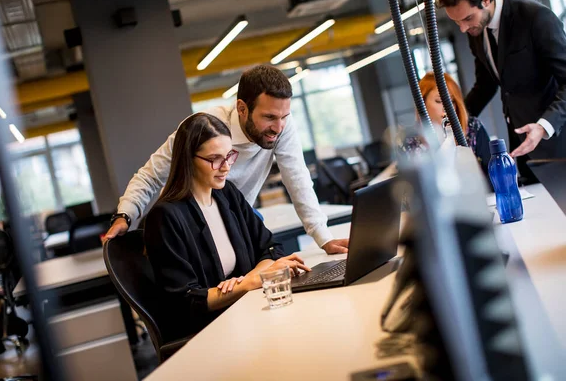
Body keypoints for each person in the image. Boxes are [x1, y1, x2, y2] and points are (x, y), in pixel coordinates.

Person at [106, 64, 349, 254]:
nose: (278, 127)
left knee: (270, 259)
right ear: (242, 108)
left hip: (238, 216)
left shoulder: (282, 125)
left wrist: (323, 237)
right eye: (269, 117)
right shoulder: (204, 128)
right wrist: (125, 215)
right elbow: (150, 175)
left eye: (284, 116)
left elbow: (297, 176)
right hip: (191, 222)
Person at [144, 113, 311, 338]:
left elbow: (270, 248)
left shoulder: (227, 194)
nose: (225, 167)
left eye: (229, 156)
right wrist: (248, 284)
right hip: (210, 333)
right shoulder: (165, 217)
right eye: (215, 159)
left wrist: (254, 277)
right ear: (188, 159)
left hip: (246, 316)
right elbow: (185, 302)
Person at [437, 0, 566, 182]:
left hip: (558, 145)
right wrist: (455, 122)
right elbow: (485, 85)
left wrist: (543, 126)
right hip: (523, 149)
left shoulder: (535, 17)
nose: (463, 28)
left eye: (467, 18)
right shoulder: (476, 31)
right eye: (457, 22)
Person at [403, 72, 492, 175]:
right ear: (422, 103)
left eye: (452, 101)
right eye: (439, 101)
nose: (447, 108)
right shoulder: (411, 143)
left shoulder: (473, 128)